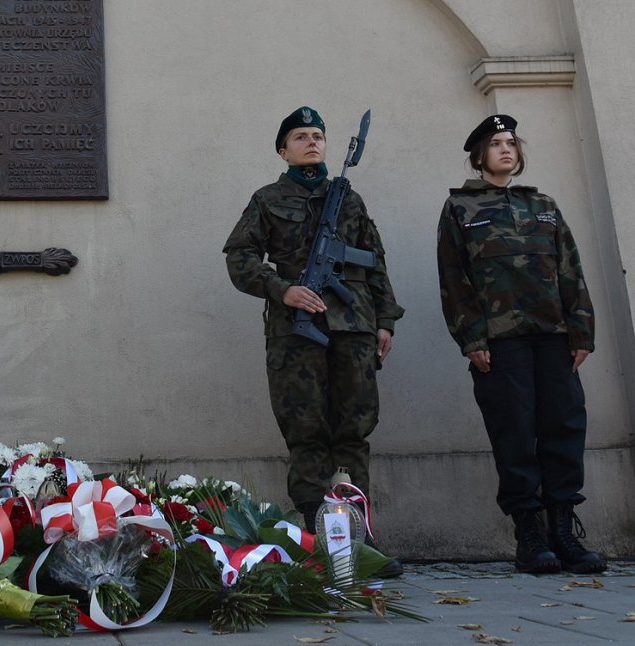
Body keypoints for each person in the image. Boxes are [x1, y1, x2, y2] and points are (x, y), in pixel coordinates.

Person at [223, 106, 404, 575]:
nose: (312, 142)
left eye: (318, 135)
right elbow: (240, 258)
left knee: (354, 431)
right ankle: (314, 542)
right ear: (283, 150)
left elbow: (374, 262)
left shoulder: (349, 199)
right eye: (300, 136)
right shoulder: (266, 199)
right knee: (307, 434)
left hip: (354, 329)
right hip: (296, 334)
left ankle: (357, 543)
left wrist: (385, 319)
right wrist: (283, 289)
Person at [436, 114, 606, 574]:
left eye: (511, 142)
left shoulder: (544, 205)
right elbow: (454, 280)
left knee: (564, 429)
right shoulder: (460, 210)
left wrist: (581, 332)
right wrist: (471, 337)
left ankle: (564, 531)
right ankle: (529, 536)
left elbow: (571, 271)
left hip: (553, 336)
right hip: (499, 341)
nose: (506, 149)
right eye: (496, 144)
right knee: (514, 432)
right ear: (479, 156)